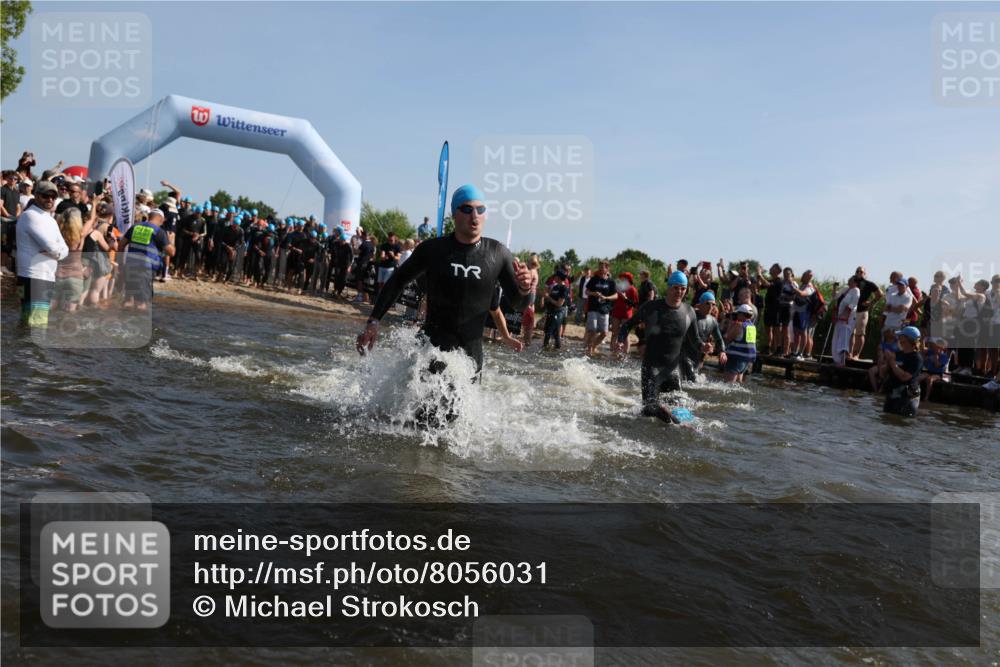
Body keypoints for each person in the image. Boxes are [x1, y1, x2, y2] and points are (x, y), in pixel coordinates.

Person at [356, 183, 532, 386]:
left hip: (470, 358)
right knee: (418, 405)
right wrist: (373, 322)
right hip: (431, 350)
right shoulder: (433, 250)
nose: (475, 216)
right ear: (454, 214)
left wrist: (525, 288)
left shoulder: (498, 253)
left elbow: (519, 304)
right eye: (467, 209)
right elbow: (397, 281)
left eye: (480, 209)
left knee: (462, 407)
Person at [617, 271, 707, 423]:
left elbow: (695, 340)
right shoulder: (652, 307)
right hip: (651, 369)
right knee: (649, 409)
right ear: (669, 287)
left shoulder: (689, 311)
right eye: (676, 288)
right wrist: (620, 340)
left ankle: (673, 421)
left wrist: (703, 347)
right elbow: (627, 325)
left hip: (673, 371)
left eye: (683, 288)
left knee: (680, 413)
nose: (679, 292)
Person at [15, 181, 68, 330]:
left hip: (42, 276)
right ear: (37, 196)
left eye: (53, 196)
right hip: (33, 276)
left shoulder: (50, 220)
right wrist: (56, 252)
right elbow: (53, 248)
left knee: (27, 323)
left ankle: (19, 346)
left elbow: (65, 250)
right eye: (46, 196)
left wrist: (56, 252)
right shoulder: (30, 216)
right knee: (37, 325)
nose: (50, 199)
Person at [118, 208, 174, 310]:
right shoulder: (159, 231)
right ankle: (139, 320)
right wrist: (170, 240)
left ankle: (122, 319)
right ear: (161, 219)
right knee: (142, 304)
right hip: (145, 269)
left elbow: (121, 245)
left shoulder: (135, 227)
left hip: (130, 266)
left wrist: (121, 264)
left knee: (128, 300)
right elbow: (171, 252)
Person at [682, 291, 726, 380]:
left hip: (698, 356)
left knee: (692, 381)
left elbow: (719, 339)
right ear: (700, 304)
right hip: (684, 354)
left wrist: (722, 351)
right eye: (708, 303)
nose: (711, 307)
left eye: (713, 304)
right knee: (690, 379)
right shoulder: (691, 316)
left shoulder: (713, 321)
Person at [882, 326, 923, 417]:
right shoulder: (897, 354)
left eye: (901, 336)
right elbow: (882, 373)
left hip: (907, 397)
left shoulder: (917, 358)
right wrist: (887, 361)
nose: (898, 338)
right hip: (893, 393)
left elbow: (905, 377)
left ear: (907, 339)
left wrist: (892, 362)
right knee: (886, 418)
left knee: (904, 420)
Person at [584, 260, 618, 355]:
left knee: (604, 333)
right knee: (593, 329)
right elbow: (586, 292)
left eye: (602, 267)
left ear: (607, 268)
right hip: (593, 307)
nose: (600, 269)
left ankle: (594, 346)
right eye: (599, 267)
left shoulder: (611, 281)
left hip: (604, 308)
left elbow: (616, 296)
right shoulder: (594, 279)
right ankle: (589, 350)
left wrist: (606, 297)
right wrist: (594, 293)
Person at [851, 266, 883, 360]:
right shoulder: (852, 282)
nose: (859, 273)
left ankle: (856, 355)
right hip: (851, 311)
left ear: (865, 274)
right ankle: (849, 353)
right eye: (857, 271)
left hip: (862, 311)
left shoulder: (869, 284)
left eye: (861, 272)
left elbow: (880, 294)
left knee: (860, 334)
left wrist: (871, 303)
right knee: (851, 333)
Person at [723, 304, 757, 383]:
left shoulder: (739, 326)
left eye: (738, 314)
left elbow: (727, 338)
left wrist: (730, 323)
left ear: (741, 314)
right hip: (745, 360)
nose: (736, 316)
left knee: (728, 384)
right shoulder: (752, 327)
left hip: (735, 359)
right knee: (738, 384)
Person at [831, 277, 860, 366]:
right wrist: (834, 287)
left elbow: (853, 304)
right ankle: (836, 360)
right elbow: (835, 297)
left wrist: (843, 315)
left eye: (851, 280)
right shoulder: (845, 289)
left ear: (855, 283)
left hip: (848, 318)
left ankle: (842, 361)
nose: (849, 281)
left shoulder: (856, 291)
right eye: (849, 280)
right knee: (836, 337)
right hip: (839, 317)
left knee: (843, 338)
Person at [610, 272, 638, 356]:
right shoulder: (618, 287)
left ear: (628, 279)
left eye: (623, 278)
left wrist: (625, 298)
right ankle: (613, 352)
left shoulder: (632, 289)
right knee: (614, 333)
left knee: (625, 335)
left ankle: (625, 354)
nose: (621, 279)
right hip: (616, 312)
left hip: (626, 313)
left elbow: (635, 304)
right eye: (621, 277)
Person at [542, 268, 570, 350]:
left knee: (554, 333)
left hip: (558, 312)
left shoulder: (564, 288)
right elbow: (550, 298)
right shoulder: (555, 287)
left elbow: (559, 304)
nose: (554, 277)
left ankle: (554, 349)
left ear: (559, 277)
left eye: (555, 276)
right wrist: (545, 296)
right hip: (551, 311)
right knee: (547, 331)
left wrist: (548, 297)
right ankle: (546, 349)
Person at [376, 231, 403, 295]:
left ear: (395, 238)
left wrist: (393, 255)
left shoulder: (398, 247)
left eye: (391, 240)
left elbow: (398, 258)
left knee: (385, 284)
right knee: (380, 283)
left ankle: (383, 297)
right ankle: (380, 296)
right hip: (382, 266)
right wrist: (384, 257)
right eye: (388, 240)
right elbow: (382, 255)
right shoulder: (384, 245)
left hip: (390, 268)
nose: (390, 241)